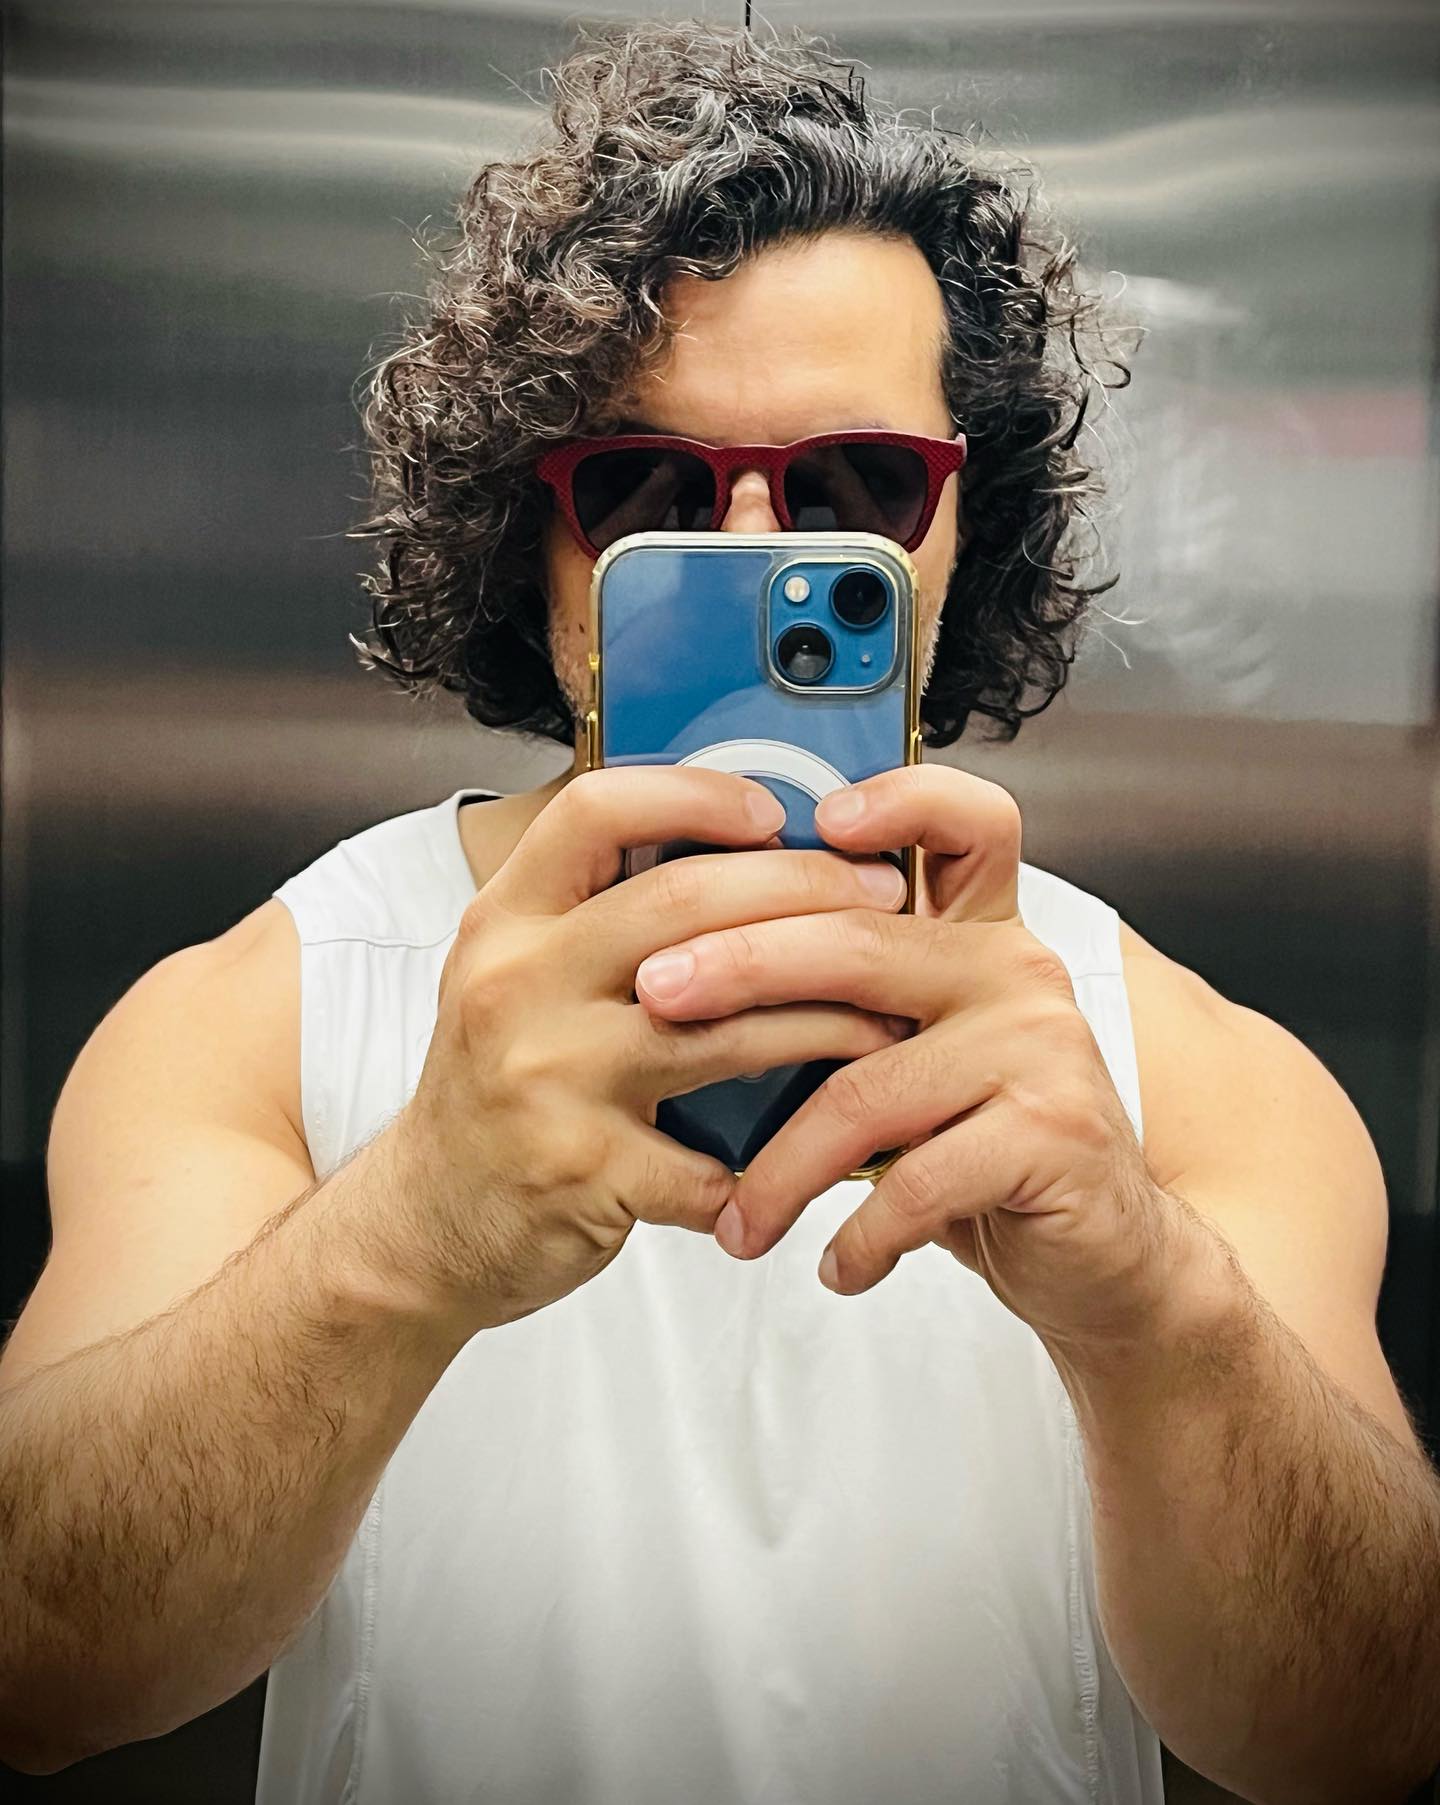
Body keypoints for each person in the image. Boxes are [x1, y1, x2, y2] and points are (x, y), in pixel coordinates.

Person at [2, 17, 1437, 1803]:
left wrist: (1153, 1303)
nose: (757, 547)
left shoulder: (1182, 1068)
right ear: (532, 526)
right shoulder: (269, 1012)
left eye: (850, 486)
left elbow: (1378, 1734)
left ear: (958, 518)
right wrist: (405, 1233)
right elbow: (31, 1668)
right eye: (649, 486)